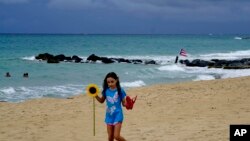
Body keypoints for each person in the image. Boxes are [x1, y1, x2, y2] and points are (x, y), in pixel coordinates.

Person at [95, 72, 127, 141]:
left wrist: (128, 104)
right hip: (109, 115)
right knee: (110, 137)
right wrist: (95, 95)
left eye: (112, 82)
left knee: (117, 136)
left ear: (116, 80)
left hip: (118, 115)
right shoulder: (106, 91)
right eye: (108, 82)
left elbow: (124, 104)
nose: (110, 84)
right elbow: (101, 101)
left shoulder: (120, 91)